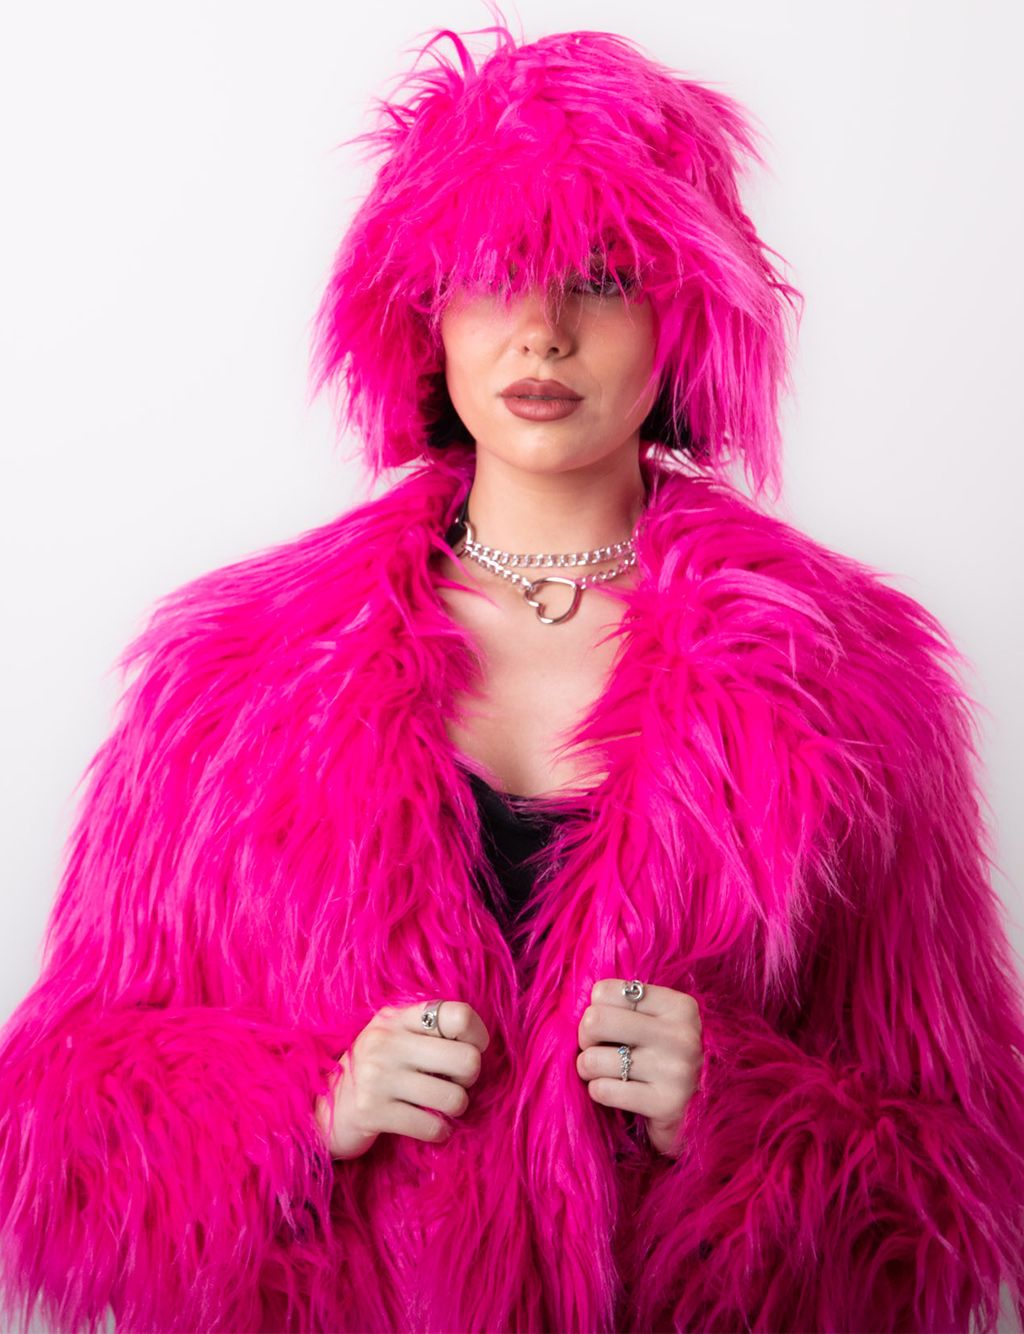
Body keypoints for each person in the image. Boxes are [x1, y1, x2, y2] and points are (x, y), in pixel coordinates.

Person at [2, 13, 1023, 1333]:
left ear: (683, 313)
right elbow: (60, 1112)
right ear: (423, 310)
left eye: (601, 276)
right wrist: (304, 1106)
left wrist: (744, 1110)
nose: (541, 332)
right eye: (493, 276)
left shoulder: (845, 684)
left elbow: (963, 1155)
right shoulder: (232, 678)